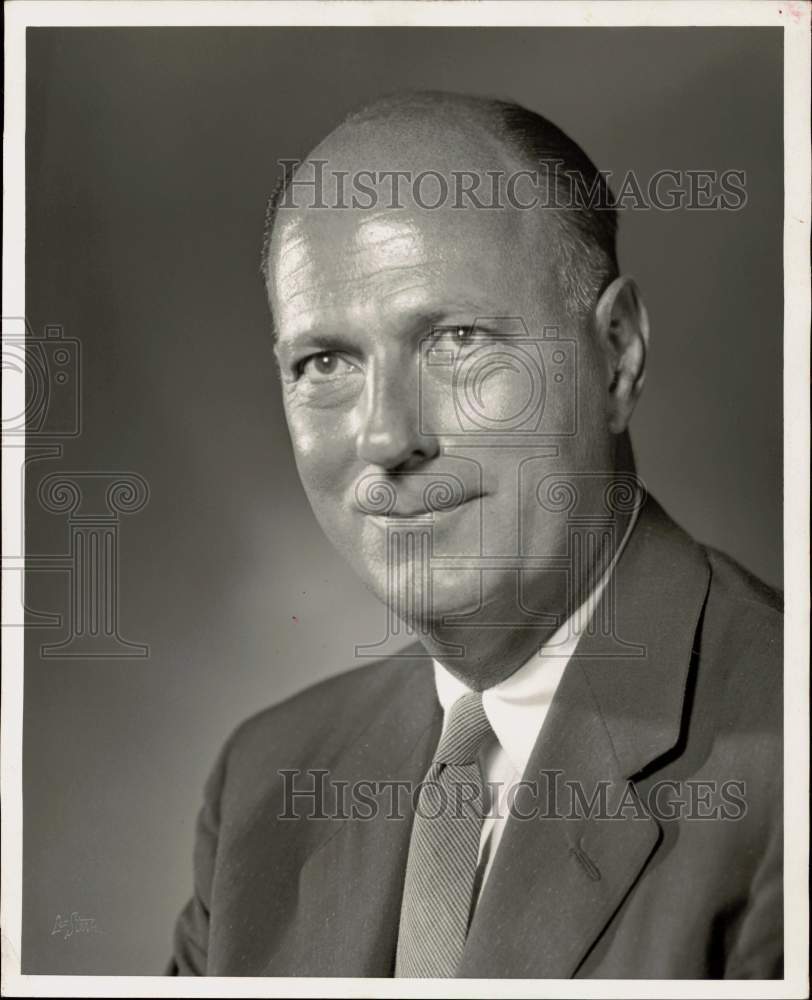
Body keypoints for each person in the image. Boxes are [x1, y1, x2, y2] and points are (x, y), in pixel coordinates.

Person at [167, 91, 782, 979]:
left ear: (618, 353)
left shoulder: (780, 770)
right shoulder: (264, 784)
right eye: (325, 362)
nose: (386, 439)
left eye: (457, 340)